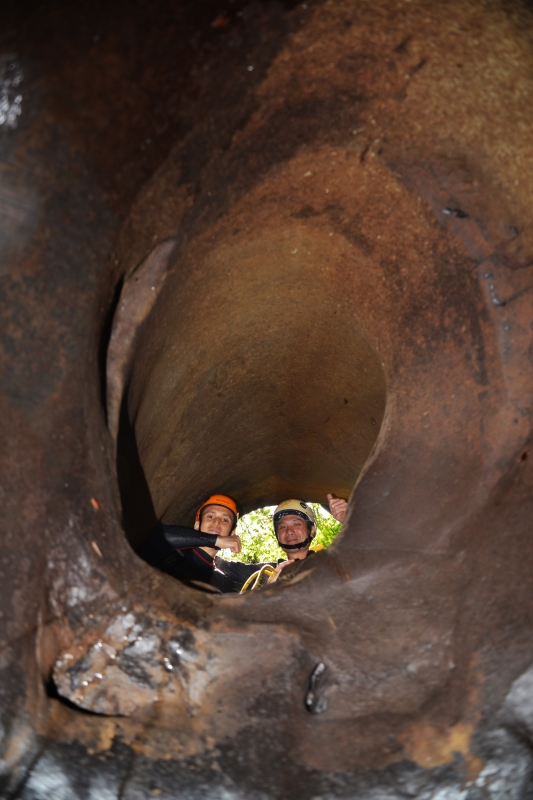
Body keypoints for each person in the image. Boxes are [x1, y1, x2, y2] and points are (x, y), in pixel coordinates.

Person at [137, 494, 244, 592]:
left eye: (225, 520)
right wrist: (215, 540)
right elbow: (156, 536)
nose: (216, 522)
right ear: (197, 525)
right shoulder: (176, 551)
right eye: (210, 516)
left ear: (232, 534)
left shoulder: (216, 580)